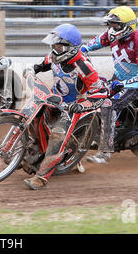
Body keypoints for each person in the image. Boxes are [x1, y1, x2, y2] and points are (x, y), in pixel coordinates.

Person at [24, 23, 109, 190]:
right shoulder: (54, 56)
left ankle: (41, 178)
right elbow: (42, 64)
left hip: (73, 106)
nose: (54, 49)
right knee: (35, 119)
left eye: (58, 45)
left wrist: (81, 106)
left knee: (57, 135)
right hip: (54, 99)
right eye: (53, 45)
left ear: (69, 47)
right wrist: (32, 69)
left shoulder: (83, 66)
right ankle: (38, 152)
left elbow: (100, 92)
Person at [81, 6, 138, 164]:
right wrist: (81, 50)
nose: (111, 28)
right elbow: (95, 42)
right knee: (94, 96)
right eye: (111, 25)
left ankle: (105, 152)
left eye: (115, 25)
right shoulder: (112, 35)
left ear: (127, 26)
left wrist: (125, 83)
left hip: (134, 84)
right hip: (118, 79)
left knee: (108, 105)